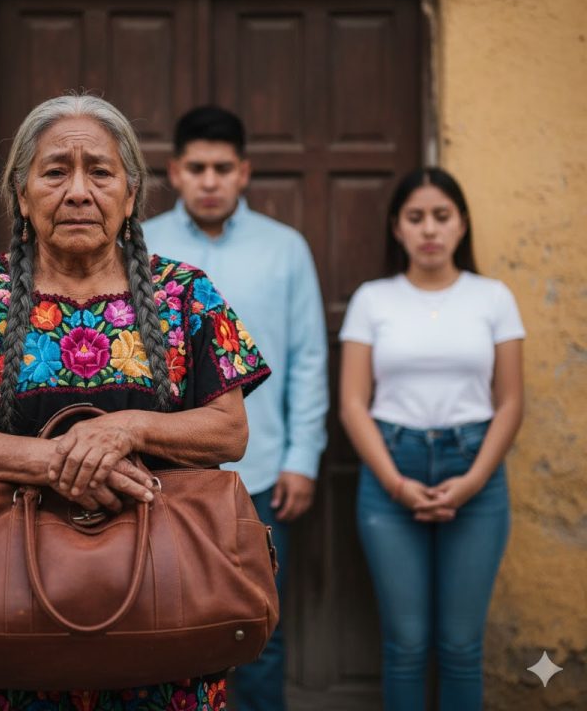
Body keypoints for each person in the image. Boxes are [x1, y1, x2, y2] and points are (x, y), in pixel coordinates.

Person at [0, 94, 271, 711]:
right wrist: (61, 464)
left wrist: (127, 429)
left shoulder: (187, 296)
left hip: (164, 622)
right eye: (54, 171)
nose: (78, 191)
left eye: (99, 171)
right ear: (21, 192)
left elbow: (229, 432)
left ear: (130, 192)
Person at [143, 106, 328, 711]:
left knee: (257, 631)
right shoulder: (142, 248)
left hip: (265, 476)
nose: (210, 180)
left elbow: (307, 357)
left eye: (223, 167)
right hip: (161, 477)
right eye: (197, 167)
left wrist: (302, 458)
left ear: (244, 172)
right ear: (174, 171)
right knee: (166, 628)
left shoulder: (285, 248)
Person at [338, 167, 525, 711]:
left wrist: (473, 481)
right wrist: (396, 484)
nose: (429, 230)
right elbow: (353, 404)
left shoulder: (493, 298)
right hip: (390, 470)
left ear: (462, 224)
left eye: (441, 217)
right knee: (406, 645)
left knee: (462, 646)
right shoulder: (374, 300)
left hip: (477, 472)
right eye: (415, 217)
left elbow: (510, 402)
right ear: (396, 227)